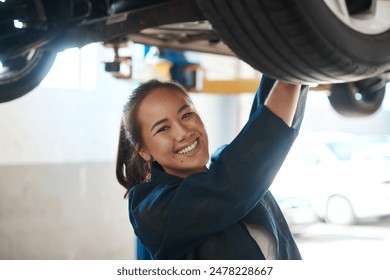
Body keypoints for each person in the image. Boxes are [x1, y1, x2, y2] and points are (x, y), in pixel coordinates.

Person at [116, 75, 308, 259]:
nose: (183, 133)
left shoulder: (238, 178)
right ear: (143, 151)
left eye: (186, 114)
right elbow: (236, 178)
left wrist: (288, 59)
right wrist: (291, 73)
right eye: (163, 128)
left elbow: (266, 125)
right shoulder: (152, 212)